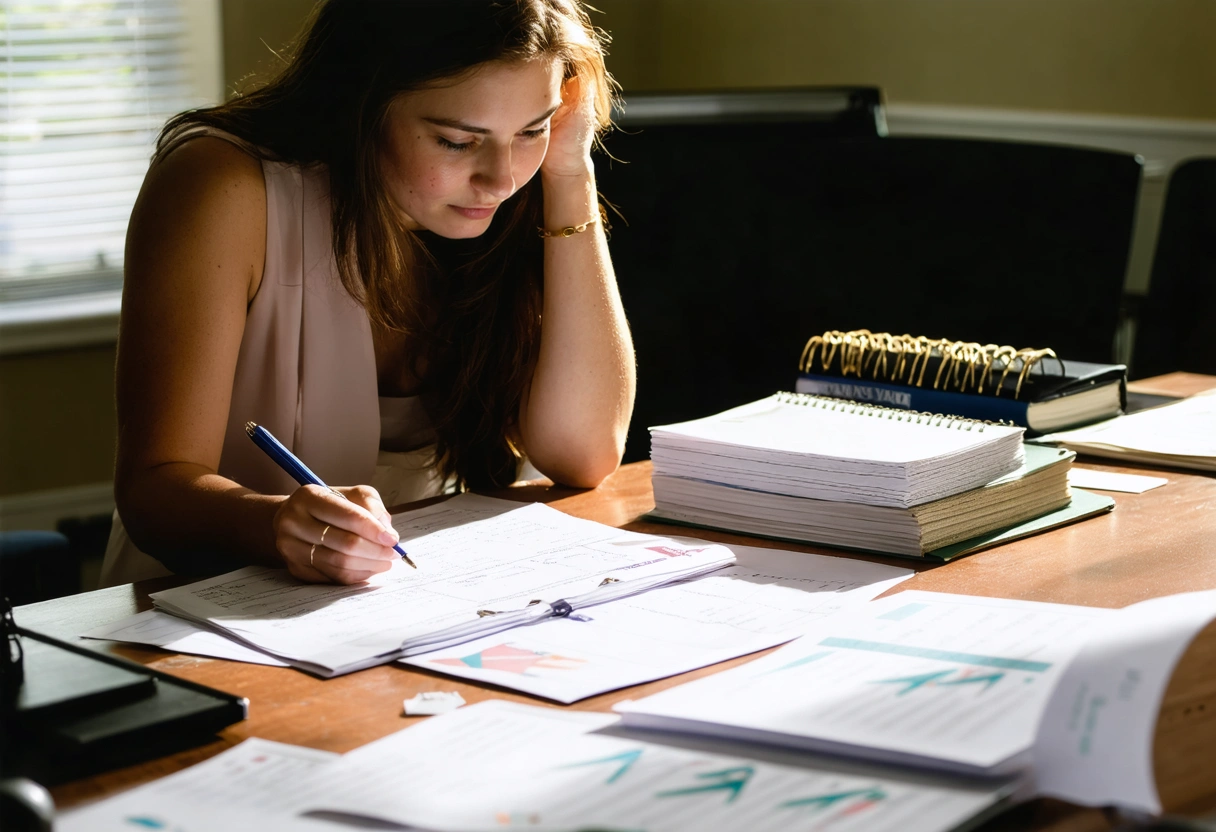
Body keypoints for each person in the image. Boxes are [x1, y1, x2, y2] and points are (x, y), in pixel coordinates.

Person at [100, 0, 635, 587]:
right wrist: (277, 522)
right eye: (457, 142)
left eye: (532, 130)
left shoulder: (513, 198)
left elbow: (583, 455)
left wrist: (570, 170)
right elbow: (154, 488)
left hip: (396, 610)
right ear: (362, 105)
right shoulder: (222, 185)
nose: (502, 178)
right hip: (195, 615)